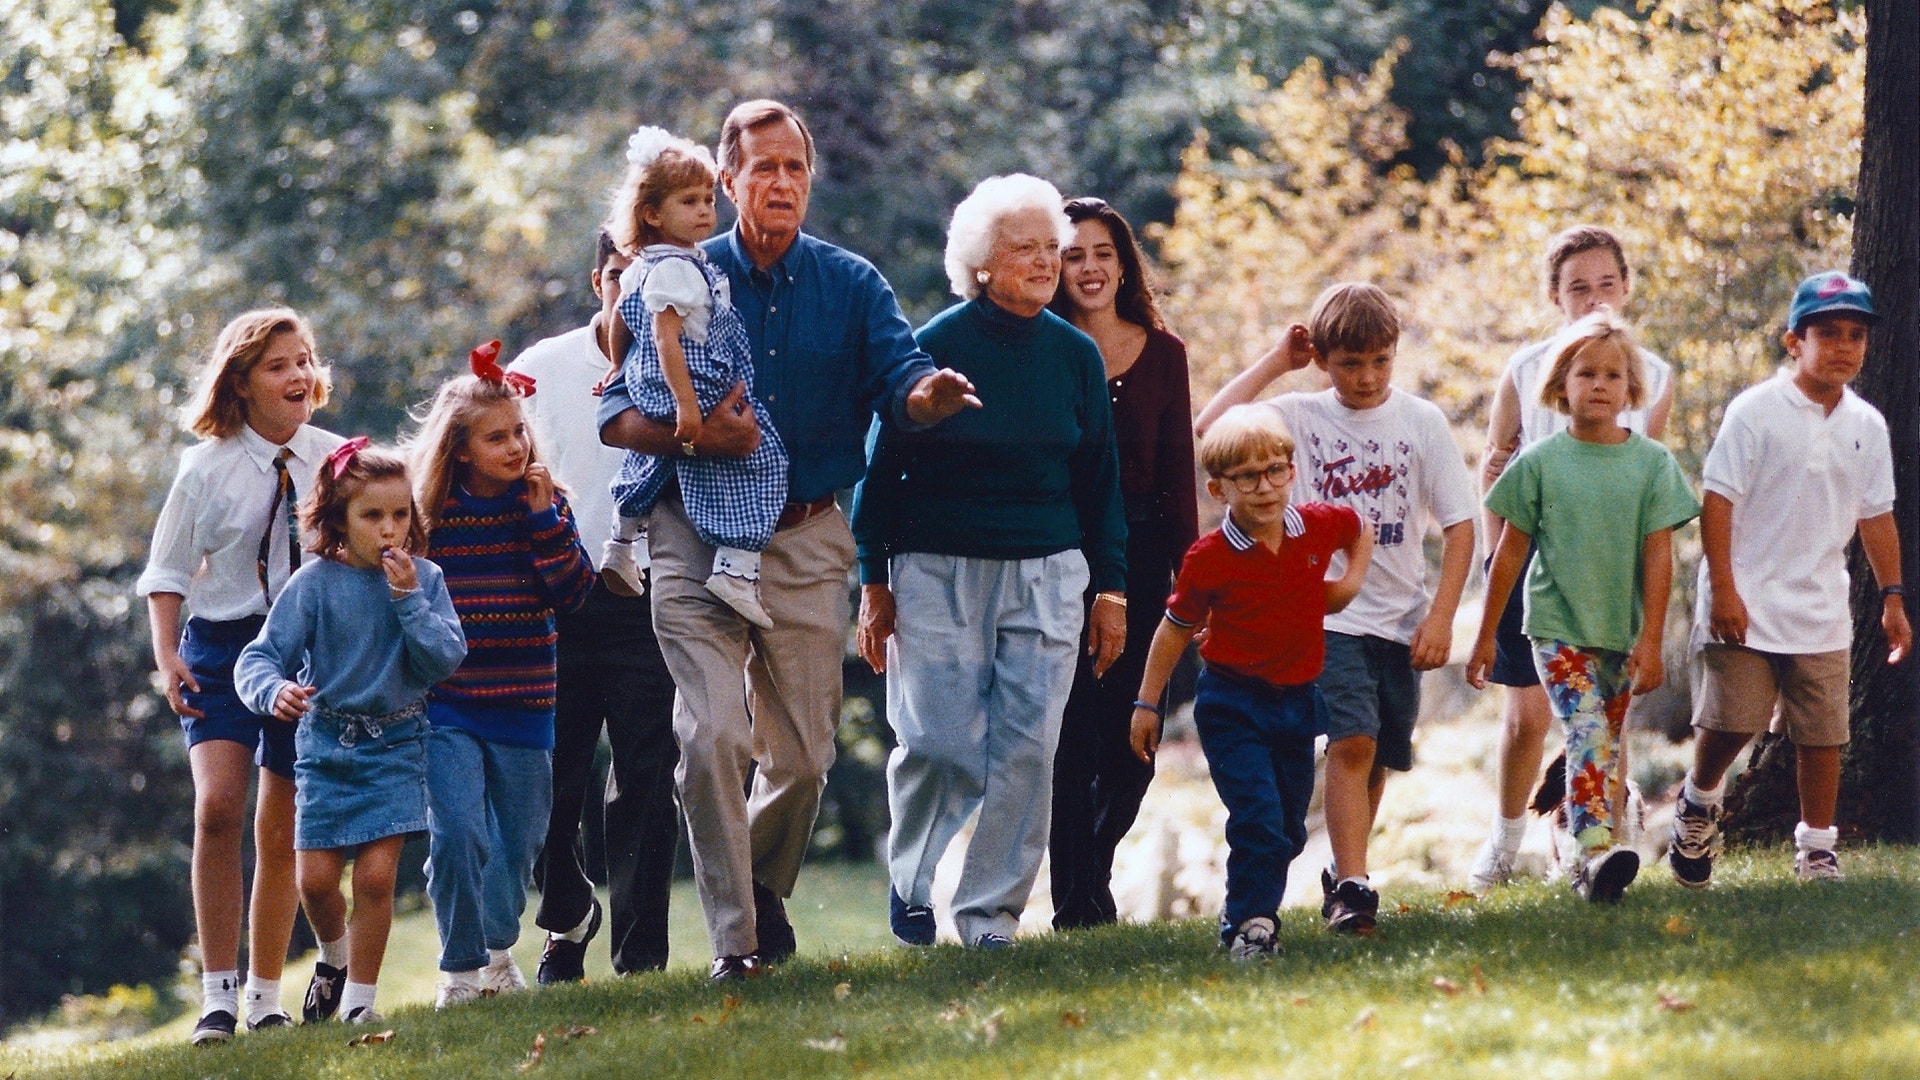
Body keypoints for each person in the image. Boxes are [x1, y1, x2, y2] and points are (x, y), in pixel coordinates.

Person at [597, 99, 978, 980]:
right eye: (762, 167)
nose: (780, 182)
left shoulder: (851, 283)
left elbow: (902, 374)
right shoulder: (677, 272)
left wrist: (927, 398)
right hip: (693, 531)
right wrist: (700, 436)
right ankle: (737, 944)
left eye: (794, 167)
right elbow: (616, 414)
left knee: (803, 759)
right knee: (713, 739)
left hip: (806, 538)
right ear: (727, 181)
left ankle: (761, 886)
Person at [854, 174, 1129, 949]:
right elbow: (880, 468)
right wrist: (873, 580)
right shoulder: (936, 345)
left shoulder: (1076, 355)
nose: (1044, 262)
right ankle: (913, 880)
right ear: (980, 261)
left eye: (1052, 248)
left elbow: (1100, 480)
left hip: (1048, 573)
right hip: (937, 570)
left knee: (1028, 750)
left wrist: (1111, 589)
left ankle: (990, 918)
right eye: (1024, 249)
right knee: (938, 742)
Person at [1193, 282, 1476, 935]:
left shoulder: (1421, 422)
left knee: (1378, 755)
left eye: (1381, 361)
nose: (1368, 377)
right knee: (1352, 740)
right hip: (1324, 615)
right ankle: (1354, 887)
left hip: (1400, 619)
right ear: (1322, 359)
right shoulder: (1297, 415)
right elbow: (1212, 429)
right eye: (1351, 364)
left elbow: (1462, 525)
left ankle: (1343, 870)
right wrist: (1275, 363)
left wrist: (1441, 617)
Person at [137, 308, 345, 1044]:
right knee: (218, 807)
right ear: (241, 382)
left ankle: (264, 995)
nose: (298, 375)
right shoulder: (205, 468)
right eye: (278, 365)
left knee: (280, 824)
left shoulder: (337, 460)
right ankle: (217, 996)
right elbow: (166, 572)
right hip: (221, 650)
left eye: (305, 360)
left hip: (303, 652)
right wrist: (168, 657)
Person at [1668, 272, 1909, 886]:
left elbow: (1876, 516)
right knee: (1733, 721)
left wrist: (1893, 598)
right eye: (1828, 333)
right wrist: (1725, 590)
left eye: (1856, 335)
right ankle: (1698, 802)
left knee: (1823, 733)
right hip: (1745, 598)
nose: (1844, 346)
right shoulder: (1755, 411)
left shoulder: (1868, 425)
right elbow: (1718, 502)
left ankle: (1817, 848)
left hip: (1820, 605)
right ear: (1794, 342)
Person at [1467, 225, 1676, 892]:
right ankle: (1505, 844)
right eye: (1578, 287)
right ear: (1555, 296)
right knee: (1529, 719)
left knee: (1603, 721)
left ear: (1627, 286)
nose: (1595, 298)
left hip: (1608, 568)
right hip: (1532, 561)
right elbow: (1495, 462)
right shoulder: (1528, 368)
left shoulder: (1652, 375)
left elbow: (1642, 477)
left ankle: (1601, 845)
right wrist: (1498, 554)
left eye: (1607, 284)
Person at [233, 440, 467, 1026]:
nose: (389, 528)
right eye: (372, 515)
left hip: (397, 745)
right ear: (339, 519)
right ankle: (334, 954)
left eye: (400, 514)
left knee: (377, 877)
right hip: (325, 748)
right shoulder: (314, 584)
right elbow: (258, 658)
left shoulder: (426, 579)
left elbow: (445, 659)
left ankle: (360, 1004)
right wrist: (273, 691)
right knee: (314, 883)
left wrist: (409, 601)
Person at [1128, 404, 1371, 960]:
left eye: (1274, 471)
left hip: (1297, 703)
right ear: (1219, 489)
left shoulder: (1315, 526)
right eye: (1246, 477)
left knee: (1287, 831)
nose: (1264, 487)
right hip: (1233, 705)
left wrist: (1347, 586)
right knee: (1258, 818)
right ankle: (1252, 927)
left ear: (1291, 471)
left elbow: (1358, 529)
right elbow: (1173, 630)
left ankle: (1242, 910)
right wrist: (1147, 703)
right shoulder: (1209, 558)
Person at [509, 232, 682, 980]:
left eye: (646, 279)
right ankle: (567, 921)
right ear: (597, 280)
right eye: (618, 277)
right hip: (553, 598)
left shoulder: (685, 366)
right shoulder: (539, 368)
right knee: (548, 780)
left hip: (648, 593)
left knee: (644, 780)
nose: (630, 293)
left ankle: (639, 956)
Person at [409, 352, 596, 1006]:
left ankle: (494, 950)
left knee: (517, 846)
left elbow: (573, 594)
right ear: (460, 449)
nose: (516, 446)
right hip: (448, 704)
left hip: (525, 703)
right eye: (496, 437)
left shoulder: (544, 504)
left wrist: (545, 521)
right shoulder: (426, 515)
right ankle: (461, 972)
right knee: (456, 834)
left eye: (519, 431)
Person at [1042, 196, 1198, 931]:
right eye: (1073, 255)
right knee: (1071, 737)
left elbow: (1177, 475)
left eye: (1102, 253)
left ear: (1124, 264)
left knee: (1134, 739)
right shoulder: (1043, 348)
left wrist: (1191, 580)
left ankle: (1092, 868)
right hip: (1058, 554)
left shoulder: (1164, 355)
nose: (1089, 268)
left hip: (1141, 558)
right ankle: (1077, 906)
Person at [600, 126, 788, 629]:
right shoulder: (678, 270)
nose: (706, 211)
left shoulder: (645, 264)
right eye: (689, 201)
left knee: (654, 460)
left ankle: (620, 541)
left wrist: (618, 366)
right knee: (763, 457)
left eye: (708, 199)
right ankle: (736, 568)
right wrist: (687, 405)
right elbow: (666, 341)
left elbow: (619, 318)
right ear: (652, 214)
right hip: (693, 381)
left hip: (653, 384)